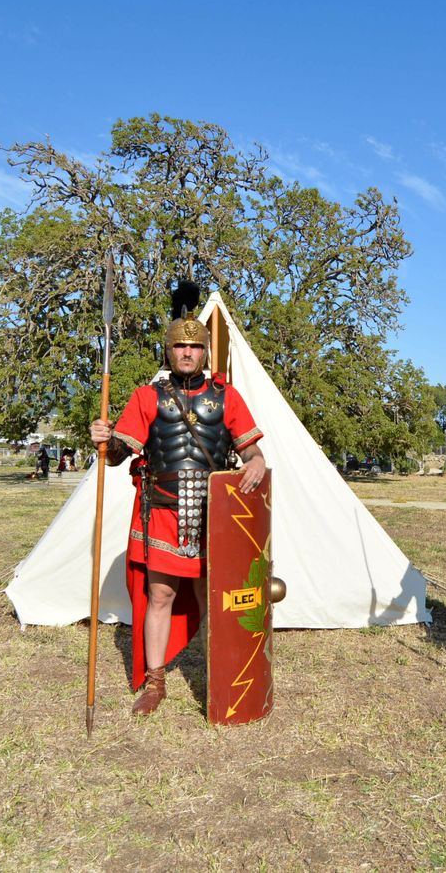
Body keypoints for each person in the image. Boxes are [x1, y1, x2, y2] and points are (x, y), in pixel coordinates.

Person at [89, 283, 267, 717]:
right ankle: (155, 683)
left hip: (214, 516)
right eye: (179, 346)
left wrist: (257, 463)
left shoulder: (227, 397)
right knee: (161, 595)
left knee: (214, 597)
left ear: (205, 352)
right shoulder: (146, 397)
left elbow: (251, 452)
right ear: (168, 352)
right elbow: (116, 457)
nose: (187, 353)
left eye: (194, 346)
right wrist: (104, 440)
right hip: (162, 512)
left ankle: (218, 674)